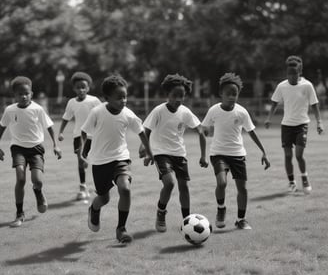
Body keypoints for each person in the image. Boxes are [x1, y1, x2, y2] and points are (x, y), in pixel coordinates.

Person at [81, 74, 153, 243]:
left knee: (125, 189)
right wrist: (82, 152)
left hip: (121, 158)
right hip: (99, 161)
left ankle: (121, 229)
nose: (124, 100)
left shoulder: (128, 114)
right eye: (119, 97)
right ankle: (94, 209)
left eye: (125, 96)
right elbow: (85, 131)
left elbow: (141, 132)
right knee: (104, 198)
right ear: (107, 98)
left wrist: (150, 152)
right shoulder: (97, 112)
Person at [139, 74, 208, 233]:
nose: (178, 99)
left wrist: (203, 156)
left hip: (179, 154)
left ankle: (187, 220)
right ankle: (161, 213)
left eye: (182, 96)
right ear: (167, 95)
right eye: (174, 95)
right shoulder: (159, 111)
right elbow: (146, 130)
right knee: (169, 183)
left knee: (184, 186)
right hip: (161, 153)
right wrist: (144, 150)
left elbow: (201, 132)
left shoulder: (185, 112)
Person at [202, 73, 270, 230]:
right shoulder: (214, 110)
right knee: (222, 183)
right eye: (228, 93)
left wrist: (263, 151)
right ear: (221, 94)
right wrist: (204, 132)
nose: (232, 96)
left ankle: (241, 220)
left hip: (238, 155)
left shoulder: (242, 112)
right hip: (218, 153)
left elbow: (251, 132)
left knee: (242, 189)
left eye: (235, 93)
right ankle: (221, 209)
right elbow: (204, 127)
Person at [0, 76, 62, 227]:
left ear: (31, 94)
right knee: (20, 179)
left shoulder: (37, 109)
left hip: (36, 148)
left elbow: (49, 126)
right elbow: (1, 128)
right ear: (14, 95)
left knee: (37, 180)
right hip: (18, 148)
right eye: (20, 94)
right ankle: (19, 213)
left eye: (26, 93)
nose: (23, 96)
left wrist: (55, 145)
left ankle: (38, 191)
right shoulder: (9, 110)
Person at [265, 56, 323, 194]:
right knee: (287, 156)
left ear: (299, 73)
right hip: (286, 126)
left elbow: (314, 105)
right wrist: (268, 118)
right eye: (289, 74)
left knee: (298, 154)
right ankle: (291, 182)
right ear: (287, 74)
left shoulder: (307, 86)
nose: (292, 77)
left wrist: (319, 122)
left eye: (294, 74)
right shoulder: (282, 86)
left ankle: (304, 178)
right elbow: (274, 103)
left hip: (302, 124)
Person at [58, 72, 101, 200]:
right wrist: (60, 132)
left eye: (83, 87)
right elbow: (66, 117)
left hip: (94, 135)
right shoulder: (71, 102)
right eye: (78, 87)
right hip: (78, 135)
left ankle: (99, 187)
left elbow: (102, 115)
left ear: (88, 88)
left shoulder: (94, 101)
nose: (81, 89)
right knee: (80, 159)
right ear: (74, 89)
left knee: (97, 160)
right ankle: (82, 187)